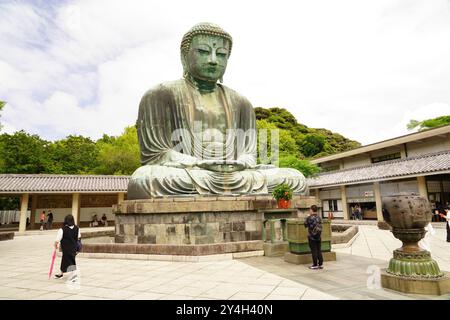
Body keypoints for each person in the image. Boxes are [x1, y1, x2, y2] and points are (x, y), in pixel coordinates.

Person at [127, 22, 307, 199]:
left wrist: (242, 162)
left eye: (221, 54)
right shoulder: (160, 95)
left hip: (236, 175)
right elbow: (157, 155)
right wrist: (198, 163)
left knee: (294, 178)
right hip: (190, 173)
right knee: (144, 179)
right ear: (184, 56)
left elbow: (248, 154)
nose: (213, 60)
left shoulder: (241, 102)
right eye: (203, 51)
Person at [54, 214, 81, 279]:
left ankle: (74, 274)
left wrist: (55, 245)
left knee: (70, 260)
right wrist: (78, 248)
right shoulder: (77, 228)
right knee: (66, 259)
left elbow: (57, 239)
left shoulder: (62, 229)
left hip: (66, 248)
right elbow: (79, 237)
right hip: (74, 247)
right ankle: (61, 273)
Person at [304, 205, 323, 270]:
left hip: (312, 236)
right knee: (319, 250)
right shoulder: (319, 217)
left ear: (312, 210)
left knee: (314, 251)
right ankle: (320, 264)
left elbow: (305, 225)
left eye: (310, 209)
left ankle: (315, 265)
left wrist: (307, 217)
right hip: (318, 236)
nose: (309, 210)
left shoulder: (309, 218)